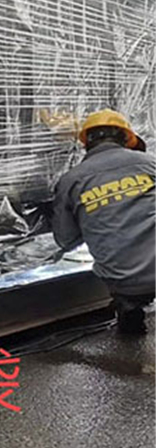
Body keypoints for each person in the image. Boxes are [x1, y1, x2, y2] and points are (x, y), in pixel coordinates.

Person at [52, 109, 155, 335]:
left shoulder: (70, 180)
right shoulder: (150, 163)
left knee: (128, 298)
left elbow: (65, 239)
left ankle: (130, 314)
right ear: (126, 138)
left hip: (123, 281)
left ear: (85, 143)